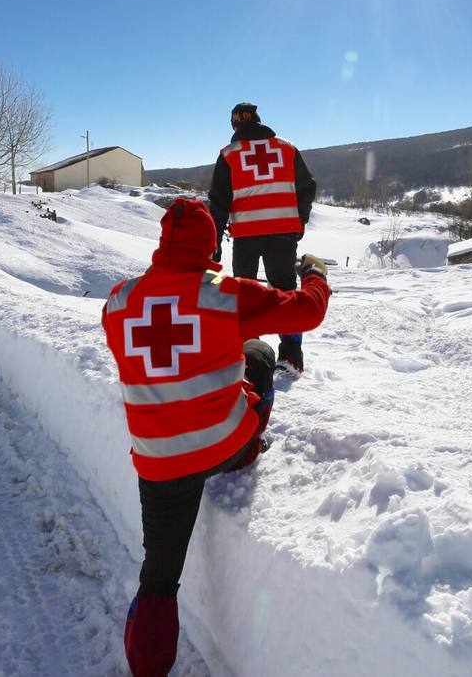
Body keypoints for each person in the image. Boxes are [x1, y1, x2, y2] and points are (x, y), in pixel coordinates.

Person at [101, 197, 330, 677]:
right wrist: (315, 274)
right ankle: (252, 447)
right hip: (224, 447)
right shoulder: (225, 295)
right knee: (259, 355)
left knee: (158, 580)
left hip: (160, 463)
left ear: (163, 241)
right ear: (211, 245)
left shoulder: (118, 301)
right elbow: (307, 313)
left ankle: (146, 668)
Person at [208, 101, 319, 373]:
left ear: (234, 124)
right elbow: (307, 187)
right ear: (258, 121)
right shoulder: (287, 148)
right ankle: (291, 355)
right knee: (285, 292)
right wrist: (300, 221)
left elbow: (218, 202)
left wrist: (214, 241)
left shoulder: (229, 155)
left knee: (245, 294)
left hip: (246, 235)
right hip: (283, 233)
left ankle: (250, 356)